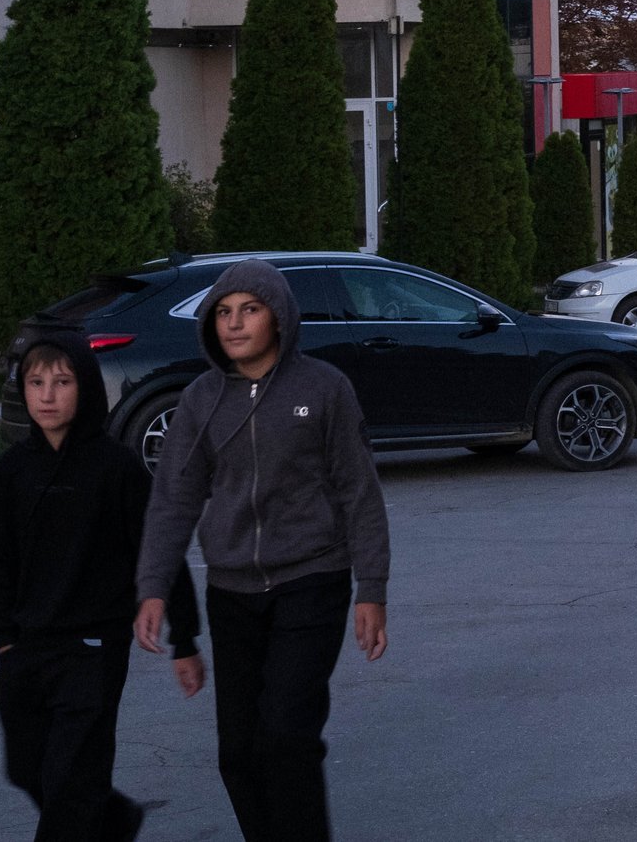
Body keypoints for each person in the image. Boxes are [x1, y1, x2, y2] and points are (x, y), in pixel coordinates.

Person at [134, 260, 390, 842]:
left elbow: (359, 491)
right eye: (223, 312)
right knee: (239, 753)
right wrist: (152, 587)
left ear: (278, 317)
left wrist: (371, 588)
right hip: (232, 593)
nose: (234, 323)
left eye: (249, 310)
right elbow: (173, 500)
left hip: (312, 581)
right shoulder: (200, 399)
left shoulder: (324, 388)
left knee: (286, 737)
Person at [0, 328, 201, 842]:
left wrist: (185, 636)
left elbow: (159, 550)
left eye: (62, 382)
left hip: (93, 648)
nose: (48, 395)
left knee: (71, 779)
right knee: (28, 769)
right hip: (25, 647)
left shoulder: (115, 468)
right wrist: (4, 636)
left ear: (86, 387)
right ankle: (116, 820)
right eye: (36, 383)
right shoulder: (12, 470)